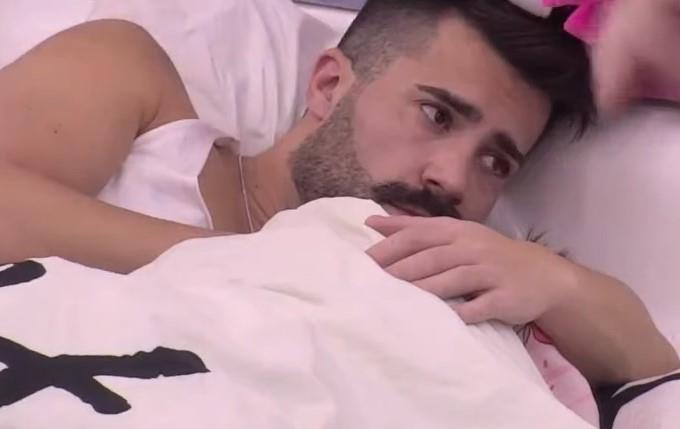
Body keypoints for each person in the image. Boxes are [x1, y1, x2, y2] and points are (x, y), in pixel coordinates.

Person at [0, 0, 677, 387]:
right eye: (438, 115)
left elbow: (654, 373)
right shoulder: (141, 89)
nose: (454, 179)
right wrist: (271, 264)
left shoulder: (431, 278)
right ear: (328, 85)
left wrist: (557, 284)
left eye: (496, 161)